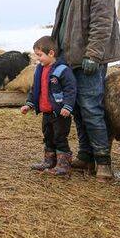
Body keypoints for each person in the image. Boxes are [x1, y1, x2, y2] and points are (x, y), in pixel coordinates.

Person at [51, 0, 120, 181]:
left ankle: (103, 161)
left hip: (88, 59)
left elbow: (102, 21)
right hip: (69, 59)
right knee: (78, 110)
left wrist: (93, 54)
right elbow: (63, 26)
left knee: (92, 108)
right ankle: (85, 155)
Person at [21, 36, 77, 176]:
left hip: (59, 113)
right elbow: (35, 89)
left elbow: (71, 89)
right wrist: (29, 104)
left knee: (59, 137)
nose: (38, 59)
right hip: (46, 112)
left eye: (40, 55)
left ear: (51, 53)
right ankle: (49, 161)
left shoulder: (62, 70)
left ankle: (63, 165)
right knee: (48, 136)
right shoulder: (39, 70)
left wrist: (67, 106)